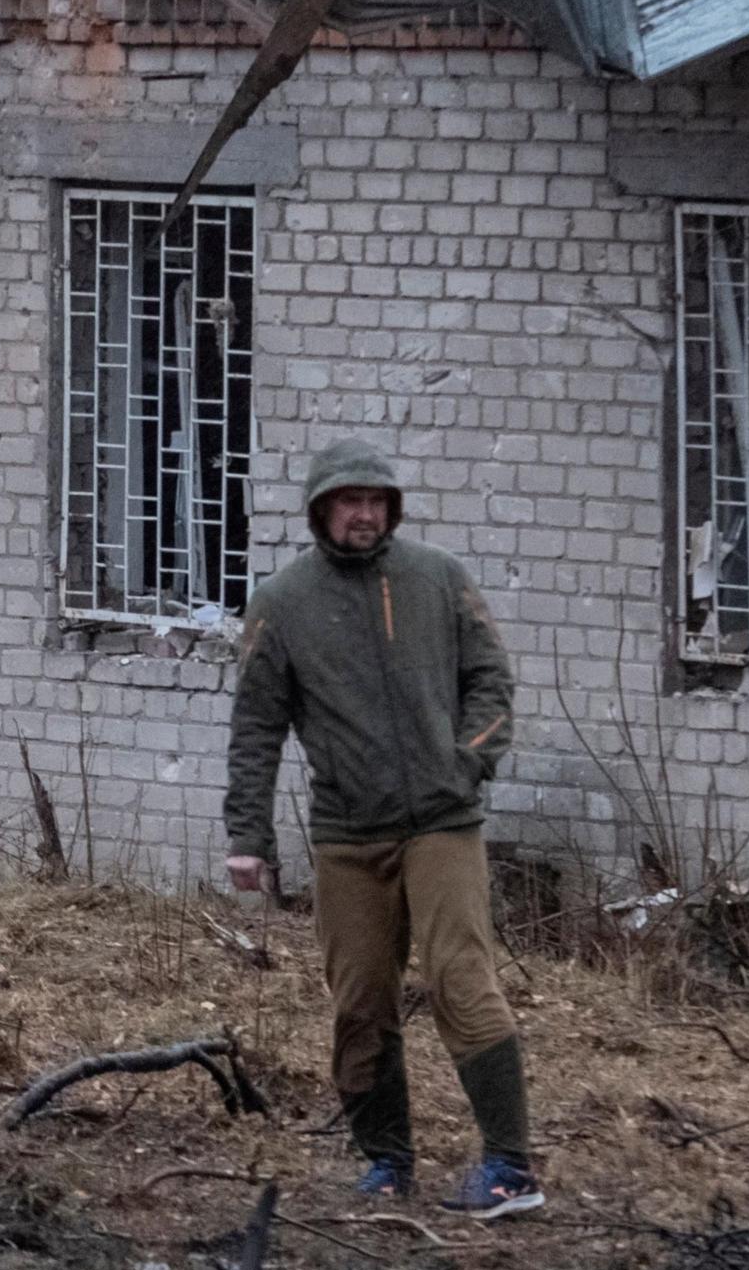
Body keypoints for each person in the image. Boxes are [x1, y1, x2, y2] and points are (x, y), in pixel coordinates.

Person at [222, 438, 540, 1219]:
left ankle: (509, 1166)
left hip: (442, 821)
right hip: (346, 834)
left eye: (376, 498)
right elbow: (257, 724)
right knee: (360, 999)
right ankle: (387, 1163)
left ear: (391, 507)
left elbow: (492, 679)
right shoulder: (283, 602)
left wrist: (464, 763)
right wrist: (247, 835)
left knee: (461, 979)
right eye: (347, 499)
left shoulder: (438, 578)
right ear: (320, 508)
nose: (363, 512)